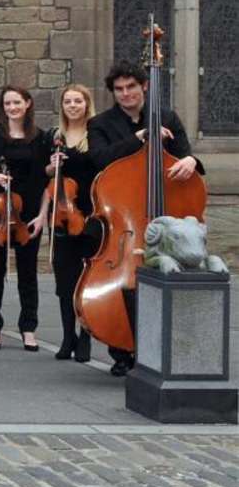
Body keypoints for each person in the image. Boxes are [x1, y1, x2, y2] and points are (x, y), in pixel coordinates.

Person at [87, 60, 202, 376]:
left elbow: (186, 154)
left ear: (144, 86)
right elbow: (99, 159)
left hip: (164, 225)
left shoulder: (167, 117)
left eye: (131, 87)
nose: (126, 94)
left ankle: (167, 347)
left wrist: (191, 160)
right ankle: (122, 351)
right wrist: (140, 137)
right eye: (119, 89)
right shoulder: (100, 123)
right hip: (124, 223)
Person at [0, 86, 51, 352]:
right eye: (7, 103)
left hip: (28, 213)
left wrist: (42, 215)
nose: (12, 107)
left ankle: (28, 328)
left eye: (16, 102)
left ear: (28, 104)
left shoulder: (40, 137)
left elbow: (45, 181)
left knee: (28, 273)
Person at [45, 84, 96, 363]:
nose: (73, 105)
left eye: (78, 101)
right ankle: (68, 336)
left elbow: (99, 166)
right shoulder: (55, 136)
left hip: (89, 214)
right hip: (61, 216)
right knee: (64, 281)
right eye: (68, 101)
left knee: (87, 278)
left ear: (87, 104)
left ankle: (86, 333)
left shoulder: (95, 135)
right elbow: (46, 175)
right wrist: (52, 167)